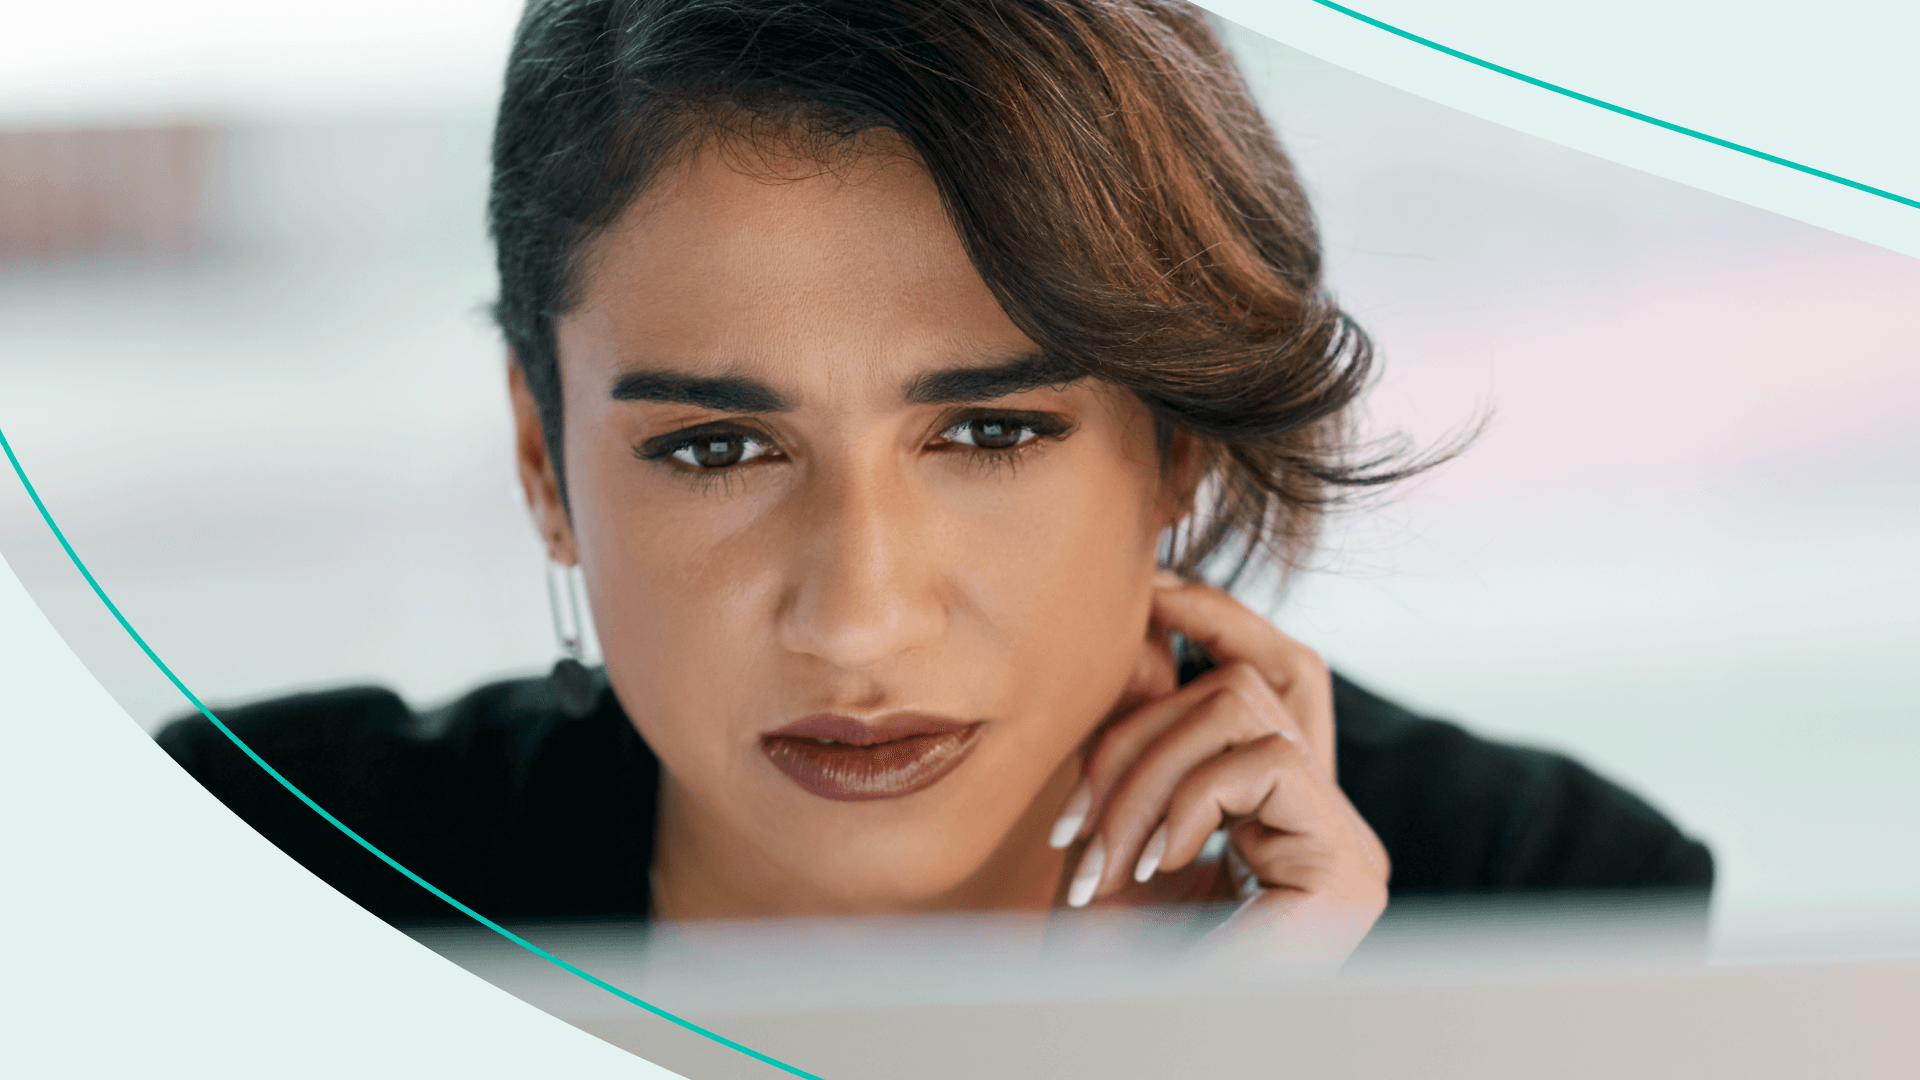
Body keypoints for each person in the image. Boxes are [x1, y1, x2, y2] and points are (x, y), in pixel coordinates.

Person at [157, 0, 1711, 964]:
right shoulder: (260, 862)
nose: (859, 620)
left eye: (989, 433)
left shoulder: (1541, 908)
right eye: (715, 448)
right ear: (541, 462)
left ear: (1176, 440)